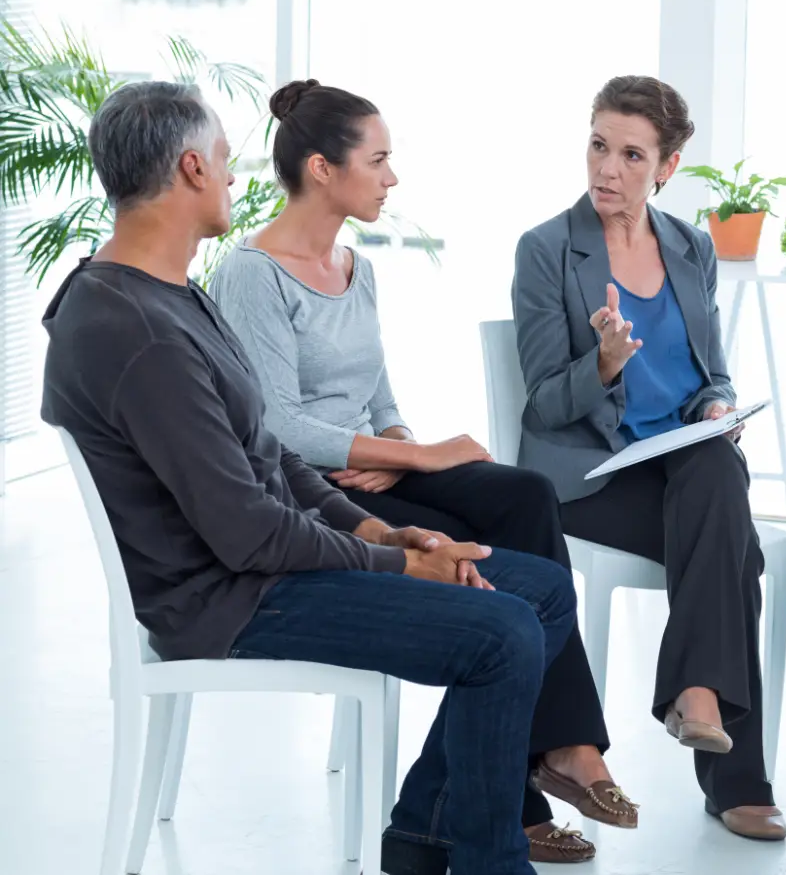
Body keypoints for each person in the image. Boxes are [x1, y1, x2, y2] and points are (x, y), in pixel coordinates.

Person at [40, 81, 578, 875]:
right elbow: (247, 530)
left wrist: (380, 529)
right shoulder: (138, 330)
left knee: (538, 591)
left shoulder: (176, 294)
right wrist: (402, 562)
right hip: (228, 596)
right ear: (191, 168)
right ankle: (487, 861)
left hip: (258, 567)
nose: (232, 178)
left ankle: (428, 837)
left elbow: (271, 451)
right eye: (225, 161)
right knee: (502, 630)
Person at [206, 80, 629, 866]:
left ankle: (555, 749)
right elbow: (277, 426)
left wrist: (394, 440)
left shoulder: (355, 266)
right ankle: (506, 795)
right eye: (380, 159)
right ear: (325, 169)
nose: (392, 177)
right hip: (310, 489)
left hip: (370, 468)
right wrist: (417, 455)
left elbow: (378, 395)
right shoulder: (252, 275)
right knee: (503, 578)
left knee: (525, 495)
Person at [510, 75, 784, 841]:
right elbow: (541, 401)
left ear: (666, 166)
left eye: (632, 154)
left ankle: (700, 695)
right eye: (599, 145)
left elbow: (713, 375)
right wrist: (601, 363)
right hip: (591, 476)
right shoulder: (546, 250)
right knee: (739, 548)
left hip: (681, 466)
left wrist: (719, 409)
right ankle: (732, 772)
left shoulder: (692, 247)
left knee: (716, 467)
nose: (608, 169)